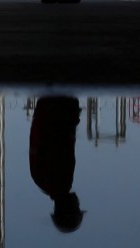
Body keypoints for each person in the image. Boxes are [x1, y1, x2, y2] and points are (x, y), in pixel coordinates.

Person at [29, 95, 84, 233]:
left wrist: (71, 116)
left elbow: (62, 142)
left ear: (68, 208)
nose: (78, 203)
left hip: (56, 107)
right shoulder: (41, 182)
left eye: (77, 207)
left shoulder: (61, 182)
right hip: (47, 107)